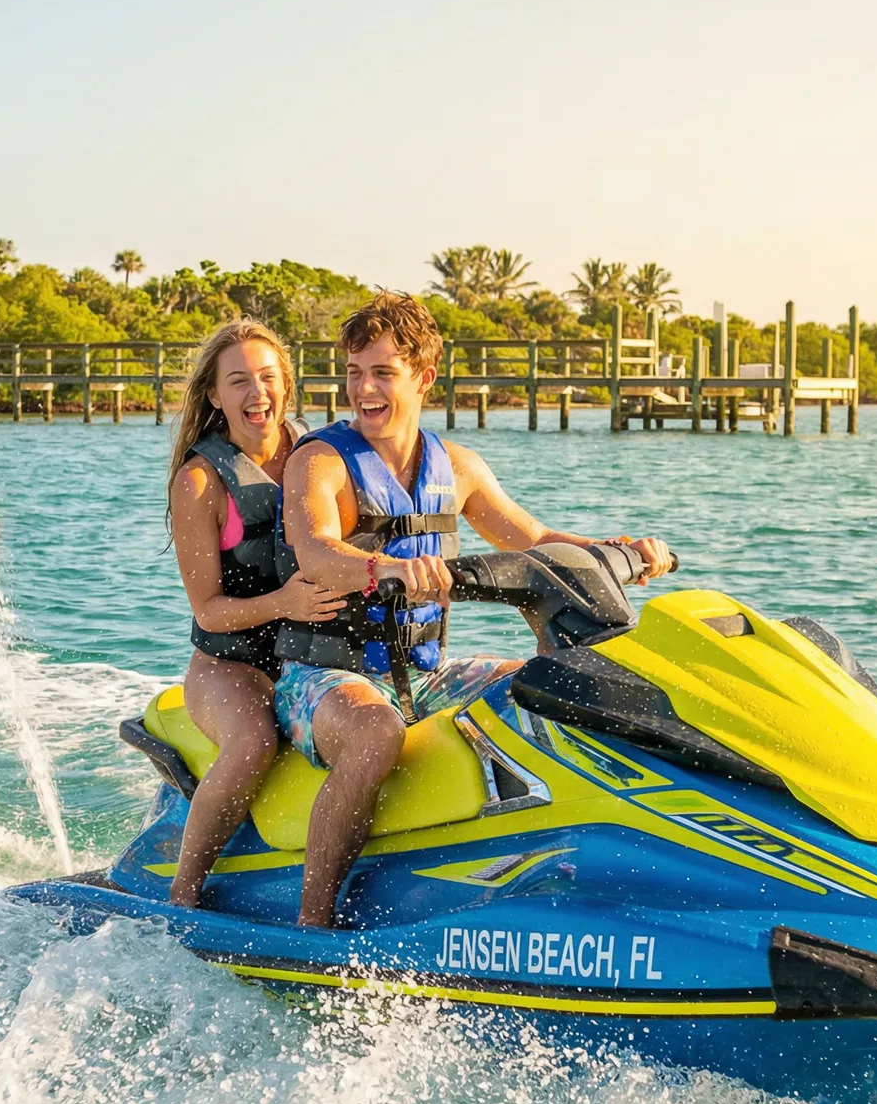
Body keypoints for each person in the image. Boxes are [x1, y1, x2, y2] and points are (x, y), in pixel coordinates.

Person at [275, 292, 674, 927]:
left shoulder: (456, 467)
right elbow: (316, 550)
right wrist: (390, 568)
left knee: (552, 688)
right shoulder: (321, 460)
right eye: (354, 372)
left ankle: (557, 875)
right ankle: (313, 921)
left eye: (383, 373)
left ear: (424, 378)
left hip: (426, 674)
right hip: (322, 678)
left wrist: (615, 548)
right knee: (376, 733)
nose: (364, 389)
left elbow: (534, 540)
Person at [166, 320, 347, 907]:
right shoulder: (199, 482)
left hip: (315, 660)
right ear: (214, 395)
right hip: (229, 664)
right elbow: (209, 613)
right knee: (252, 743)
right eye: (238, 381)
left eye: (268, 377)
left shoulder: (320, 457)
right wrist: (284, 604)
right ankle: (184, 892)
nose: (257, 393)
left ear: (286, 385)